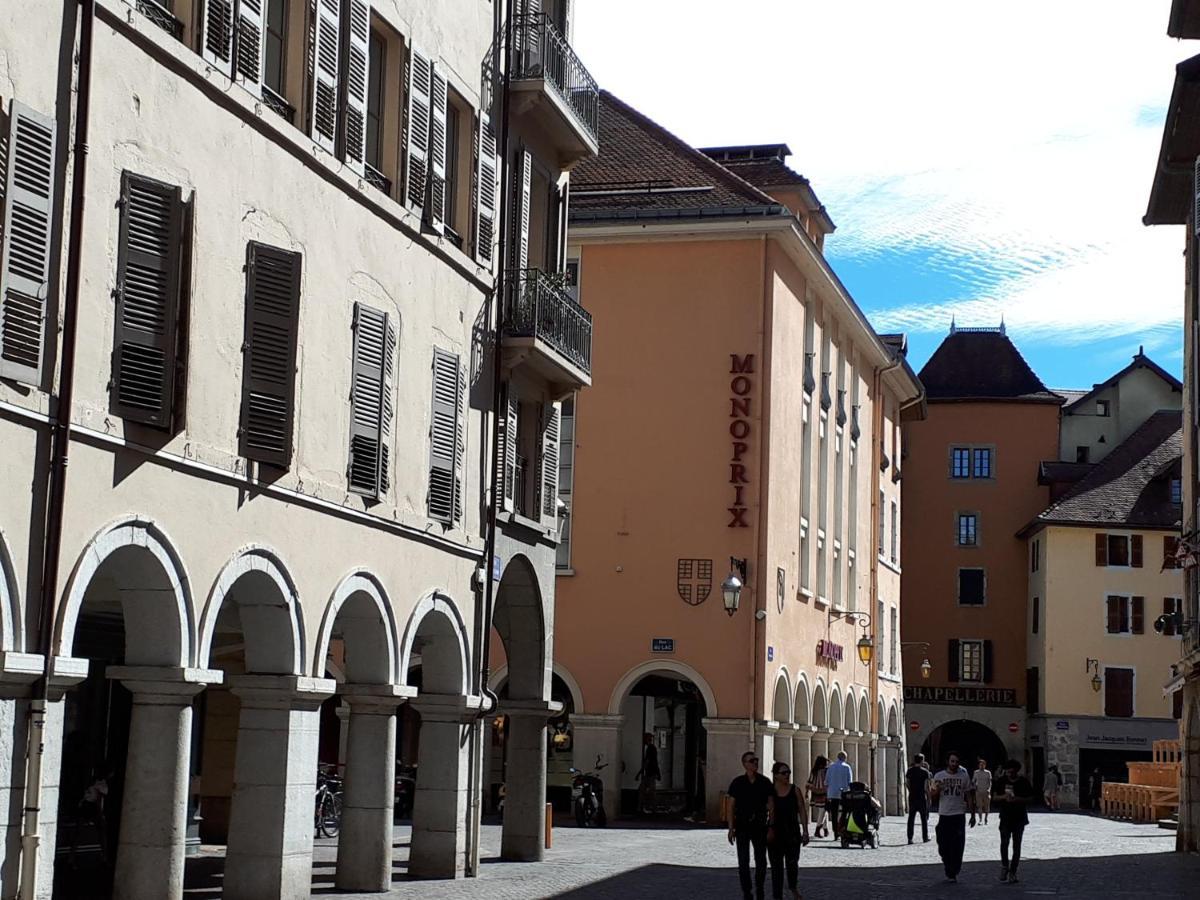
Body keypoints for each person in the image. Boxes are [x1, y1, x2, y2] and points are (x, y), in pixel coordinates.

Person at [728, 751, 774, 900]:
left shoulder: (765, 782)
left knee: (761, 860)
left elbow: (771, 805)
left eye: (756, 760)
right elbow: (731, 806)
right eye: (752, 761)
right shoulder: (737, 782)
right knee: (743, 860)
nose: (755, 763)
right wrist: (730, 828)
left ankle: (759, 887)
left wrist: (771, 825)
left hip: (760, 825)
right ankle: (747, 891)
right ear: (745, 764)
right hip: (742, 825)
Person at [766, 761, 810, 900]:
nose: (787, 775)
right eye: (784, 773)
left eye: (789, 772)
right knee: (776, 867)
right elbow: (770, 811)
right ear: (776, 775)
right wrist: (769, 829)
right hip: (776, 831)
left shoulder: (794, 790)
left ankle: (792, 887)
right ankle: (777, 895)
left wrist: (805, 831)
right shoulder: (770, 791)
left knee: (792, 863)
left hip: (792, 832)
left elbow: (802, 810)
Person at [930, 751, 975, 883]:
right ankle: (947, 862)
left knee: (957, 845)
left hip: (959, 814)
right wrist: (937, 789)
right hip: (944, 814)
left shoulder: (964, 776)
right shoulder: (939, 776)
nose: (954, 764)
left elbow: (969, 796)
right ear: (948, 762)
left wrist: (972, 814)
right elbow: (933, 795)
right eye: (952, 761)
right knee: (943, 844)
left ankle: (953, 871)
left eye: (956, 762)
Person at [992, 759, 1034, 884]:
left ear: (1016, 770)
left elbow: (1031, 798)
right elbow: (994, 797)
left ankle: (1013, 871)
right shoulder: (1001, 781)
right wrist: (1003, 797)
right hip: (1005, 816)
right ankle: (1005, 866)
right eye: (1008, 769)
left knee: (1017, 845)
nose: (1009, 772)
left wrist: (1017, 799)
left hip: (1019, 818)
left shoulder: (1023, 782)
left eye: (1012, 769)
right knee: (1004, 843)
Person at [823, 750, 853, 838]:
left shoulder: (831, 767)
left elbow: (826, 781)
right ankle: (842, 829)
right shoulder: (847, 767)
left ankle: (835, 832)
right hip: (843, 793)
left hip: (832, 793)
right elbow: (850, 781)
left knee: (834, 814)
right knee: (844, 812)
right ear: (845, 758)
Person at [905, 752, 932, 844]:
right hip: (921, 797)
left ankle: (910, 838)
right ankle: (925, 837)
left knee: (911, 818)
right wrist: (929, 798)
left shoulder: (909, 771)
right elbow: (926, 787)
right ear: (922, 761)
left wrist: (912, 790)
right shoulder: (925, 772)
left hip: (912, 796)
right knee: (923, 819)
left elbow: (907, 783)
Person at [635, 732, 660, 815]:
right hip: (651, 773)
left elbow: (647, 761)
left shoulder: (650, 749)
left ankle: (650, 808)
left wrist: (639, 773)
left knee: (646, 791)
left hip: (650, 773)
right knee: (647, 791)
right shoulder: (652, 748)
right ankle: (650, 808)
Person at [804, 756, 829, 839]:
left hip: (815, 792)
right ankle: (817, 829)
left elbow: (809, 782)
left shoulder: (814, 771)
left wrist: (807, 792)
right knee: (823, 810)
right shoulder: (826, 771)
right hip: (824, 793)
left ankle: (825, 829)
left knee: (823, 810)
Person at [973, 759, 993, 825]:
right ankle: (980, 819)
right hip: (978, 791)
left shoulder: (988, 773)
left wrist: (989, 789)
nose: (981, 766)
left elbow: (990, 782)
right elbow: (973, 780)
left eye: (983, 765)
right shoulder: (976, 772)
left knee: (987, 806)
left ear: (985, 765)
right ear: (978, 765)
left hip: (986, 791)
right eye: (980, 765)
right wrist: (974, 786)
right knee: (979, 806)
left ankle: (986, 818)